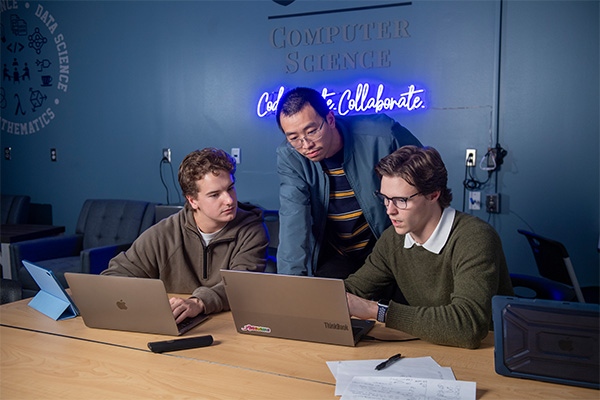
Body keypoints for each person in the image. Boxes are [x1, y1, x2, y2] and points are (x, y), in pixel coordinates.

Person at [344, 145, 514, 349]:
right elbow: (352, 290)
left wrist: (377, 311)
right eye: (385, 199)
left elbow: (468, 327)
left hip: (491, 350)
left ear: (433, 195)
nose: (390, 210)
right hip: (432, 345)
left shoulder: (475, 237)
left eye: (400, 200)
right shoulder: (393, 239)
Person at [102, 148, 268, 323]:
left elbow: (242, 286)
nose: (229, 200)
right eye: (214, 195)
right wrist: (153, 304)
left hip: (230, 326)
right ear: (192, 200)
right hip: (176, 325)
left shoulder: (252, 230)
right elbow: (115, 276)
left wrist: (199, 302)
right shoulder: (165, 232)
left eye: (230, 188)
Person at [276, 87, 422, 278]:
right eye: (294, 138)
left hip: (389, 248)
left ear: (330, 119)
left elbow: (428, 177)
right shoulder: (290, 156)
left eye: (311, 131)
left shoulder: (384, 135)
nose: (306, 145)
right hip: (337, 254)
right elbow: (292, 217)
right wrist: (288, 285)